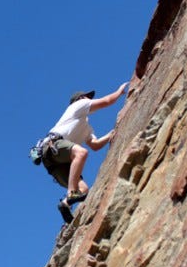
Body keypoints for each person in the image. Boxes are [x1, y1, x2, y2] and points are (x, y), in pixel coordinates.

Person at [41, 82, 128, 212]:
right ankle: (71, 193)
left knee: (83, 190)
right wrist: (119, 92)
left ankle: (65, 204)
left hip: (55, 163)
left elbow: (95, 145)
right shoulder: (77, 106)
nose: (90, 100)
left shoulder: (86, 128)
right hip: (53, 146)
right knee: (81, 153)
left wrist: (112, 133)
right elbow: (107, 101)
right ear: (80, 99)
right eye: (88, 97)